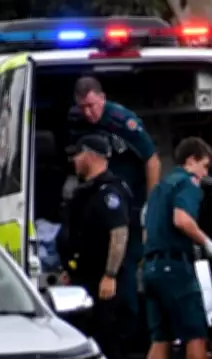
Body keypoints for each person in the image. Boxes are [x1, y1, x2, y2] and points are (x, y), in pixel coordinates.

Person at [67, 76, 162, 340]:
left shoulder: (122, 121)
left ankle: (126, 335)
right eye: (83, 107)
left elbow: (151, 160)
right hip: (97, 196)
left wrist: (150, 207)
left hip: (127, 200)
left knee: (126, 271)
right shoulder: (76, 121)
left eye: (93, 106)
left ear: (103, 99)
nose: (89, 112)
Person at [57, 134, 142, 359]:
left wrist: (110, 275)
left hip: (104, 281)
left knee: (108, 338)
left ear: (92, 155)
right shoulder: (86, 191)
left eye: (78, 154)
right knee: (90, 336)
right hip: (84, 277)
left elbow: (119, 234)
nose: (74, 160)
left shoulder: (109, 192)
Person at [142, 137, 212, 359]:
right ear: (191, 160)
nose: (205, 174)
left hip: (151, 268)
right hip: (175, 267)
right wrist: (206, 241)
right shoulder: (187, 183)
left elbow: (146, 229)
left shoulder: (158, 188)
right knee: (195, 334)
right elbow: (181, 219)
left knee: (160, 336)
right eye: (204, 166)